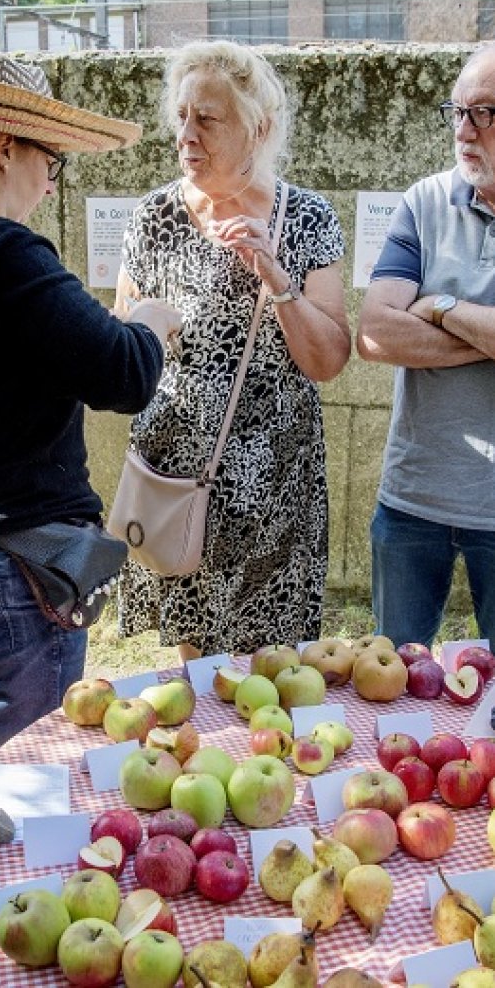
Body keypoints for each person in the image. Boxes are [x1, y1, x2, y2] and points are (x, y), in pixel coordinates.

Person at [0, 57, 180, 813]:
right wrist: (149, 324)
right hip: (13, 560)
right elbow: (122, 372)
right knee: (25, 779)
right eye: (50, 161)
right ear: (5, 147)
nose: (53, 183)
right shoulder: (1, 253)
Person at [114, 40, 350, 663]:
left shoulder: (306, 218)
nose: (186, 134)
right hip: (176, 477)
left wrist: (280, 281)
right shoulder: (153, 216)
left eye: (208, 119)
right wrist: (141, 325)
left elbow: (329, 359)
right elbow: (122, 344)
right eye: (182, 116)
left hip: (274, 489)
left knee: (271, 670)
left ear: (258, 128)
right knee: (195, 673)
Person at [357, 44, 495, 651]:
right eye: (457, 110)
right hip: (411, 499)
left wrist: (439, 306)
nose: (464, 130)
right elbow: (376, 332)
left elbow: (408, 318)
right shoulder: (423, 202)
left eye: (485, 112)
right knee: (392, 681)